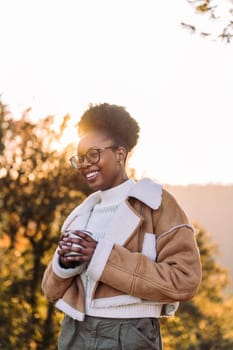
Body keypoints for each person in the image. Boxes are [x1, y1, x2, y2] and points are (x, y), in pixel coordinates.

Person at [42, 103, 202, 350]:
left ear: (120, 153)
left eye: (93, 154)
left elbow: (185, 280)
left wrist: (101, 257)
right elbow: (50, 292)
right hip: (75, 332)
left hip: (129, 334)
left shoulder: (157, 204)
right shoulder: (81, 214)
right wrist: (64, 265)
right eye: (80, 158)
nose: (85, 164)